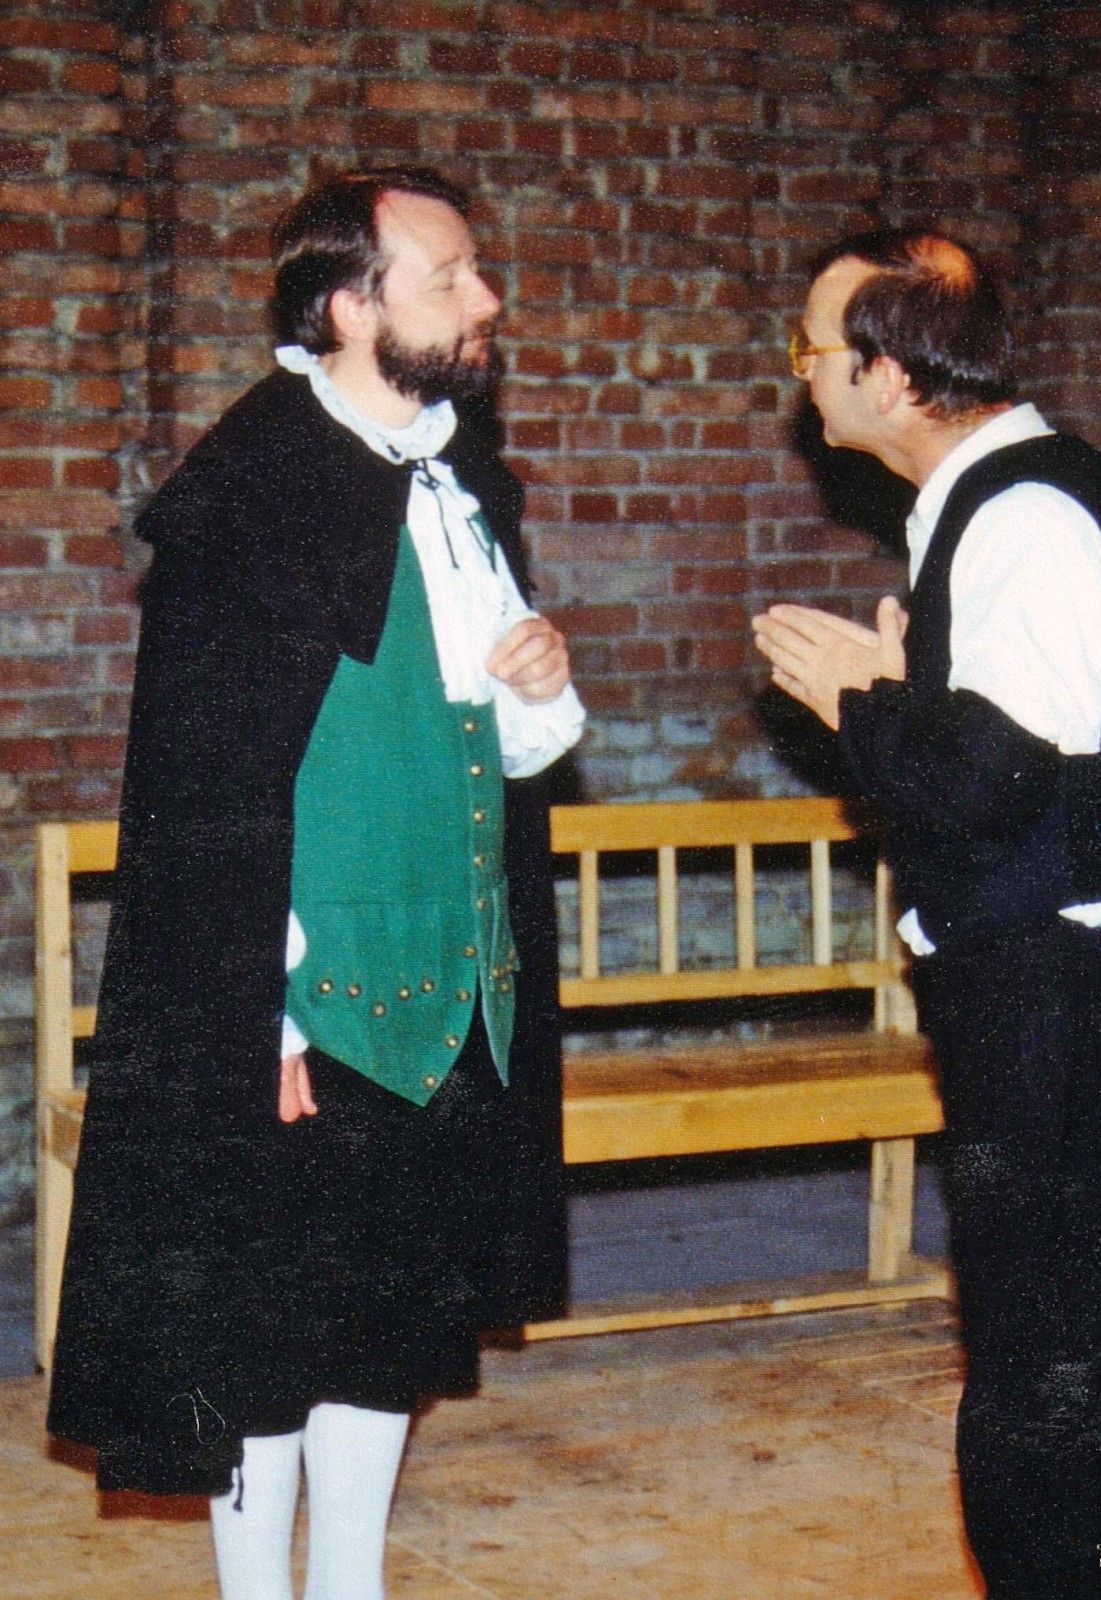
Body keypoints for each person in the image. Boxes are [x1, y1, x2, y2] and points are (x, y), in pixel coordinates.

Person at [47, 165, 584, 1600]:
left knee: (383, 1328)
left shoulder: (462, 487)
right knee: (263, 1339)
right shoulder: (253, 491)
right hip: (313, 998)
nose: (486, 298)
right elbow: (213, 793)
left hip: (449, 985)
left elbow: (490, 750)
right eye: (449, 276)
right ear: (351, 306)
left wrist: (538, 681)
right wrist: (264, 1015)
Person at [754, 230, 1101, 1600]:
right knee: (1074, 1398)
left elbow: (991, 784)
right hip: (1087, 997)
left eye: (810, 349)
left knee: (1040, 1411)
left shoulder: (1020, 515)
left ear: (886, 373)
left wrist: (865, 703)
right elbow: (1025, 761)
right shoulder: (998, 498)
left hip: (1077, 1007)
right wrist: (913, 700)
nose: (799, 375)